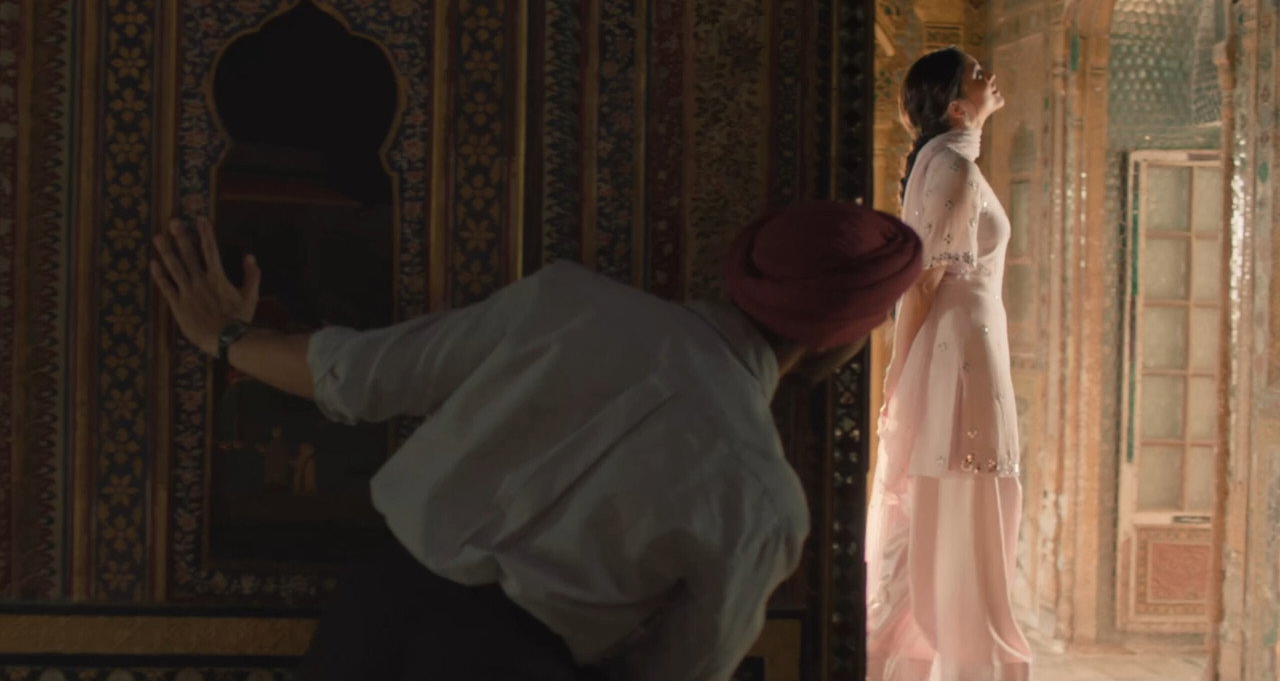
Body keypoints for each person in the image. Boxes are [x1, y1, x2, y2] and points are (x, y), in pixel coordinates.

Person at [150, 200, 922, 681]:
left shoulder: (567, 303)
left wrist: (227, 338)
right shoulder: (764, 501)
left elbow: (357, 377)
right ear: (842, 339)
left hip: (371, 616)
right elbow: (681, 669)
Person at [865, 47, 1033, 680]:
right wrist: (897, 374)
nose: (991, 75)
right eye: (977, 73)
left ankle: (964, 646)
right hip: (958, 349)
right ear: (959, 106)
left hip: (971, 342)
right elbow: (923, 283)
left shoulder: (956, 163)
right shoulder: (953, 168)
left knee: (970, 486)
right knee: (958, 487)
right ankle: (959, 650)